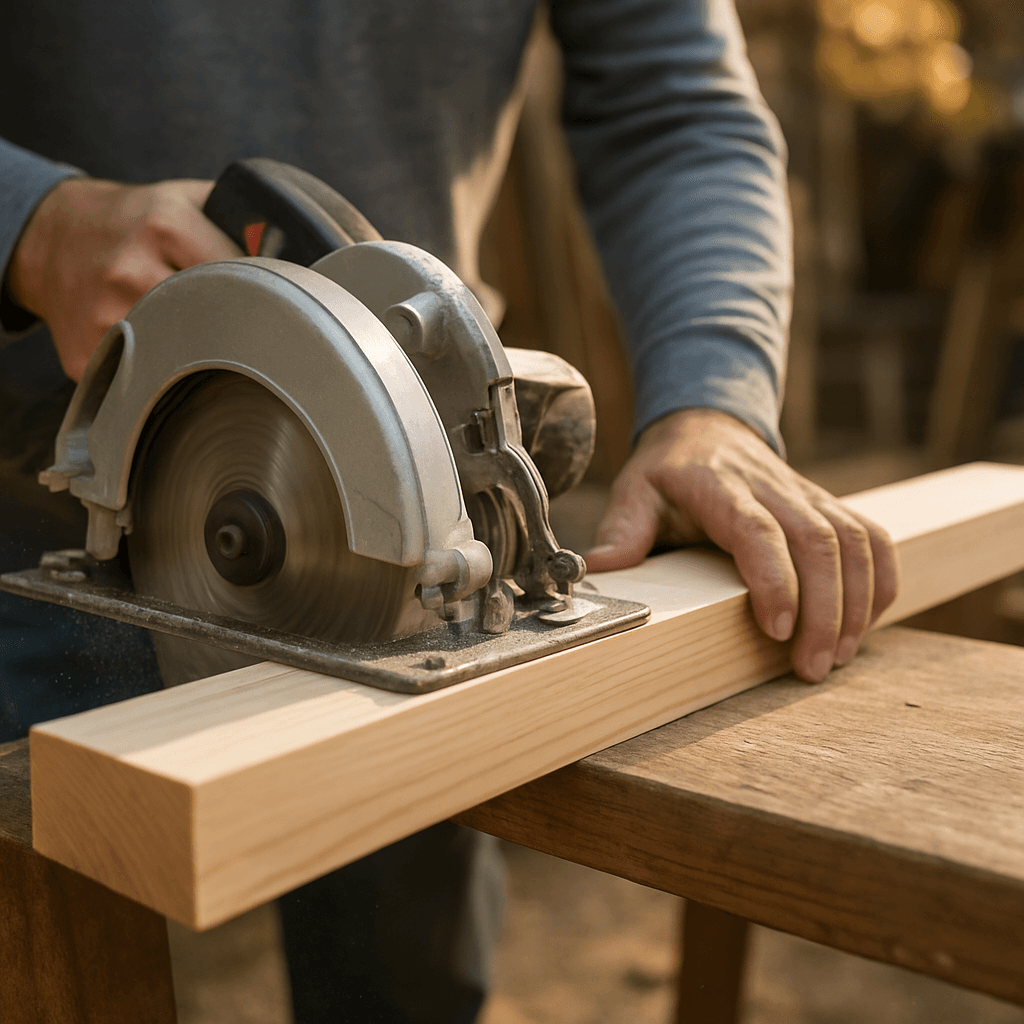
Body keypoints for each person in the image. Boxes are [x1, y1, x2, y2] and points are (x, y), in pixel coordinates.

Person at [0, 0, 898, 1020]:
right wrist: (29, 218)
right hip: (38, 500)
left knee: (405, 990)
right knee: (49, 958)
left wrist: (713, 400)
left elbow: (675, 106)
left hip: (420, 536)